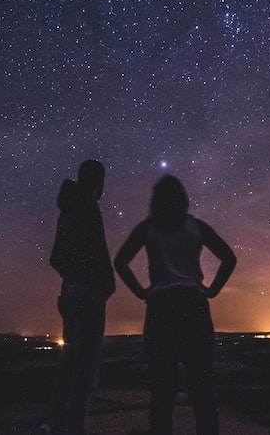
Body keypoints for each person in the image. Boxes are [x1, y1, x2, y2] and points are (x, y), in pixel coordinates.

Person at [114, 175, 237, 435]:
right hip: (193, 306)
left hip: (161, 308)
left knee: (162, 391)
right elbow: (228, 258)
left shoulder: (148, 228)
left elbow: (120, 261)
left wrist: (141, 292)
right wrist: (212, 290)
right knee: (201, 390)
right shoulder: (197, 227)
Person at [48, 159, 116, 435]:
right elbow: (95, 253)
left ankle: (58, 428)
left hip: (72, 292)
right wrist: (103, 283)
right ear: (96, 181)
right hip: (87, 295)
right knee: (83, 376)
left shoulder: (69, 207)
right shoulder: (87, 207)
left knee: (69, 370)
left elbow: (58, 257)